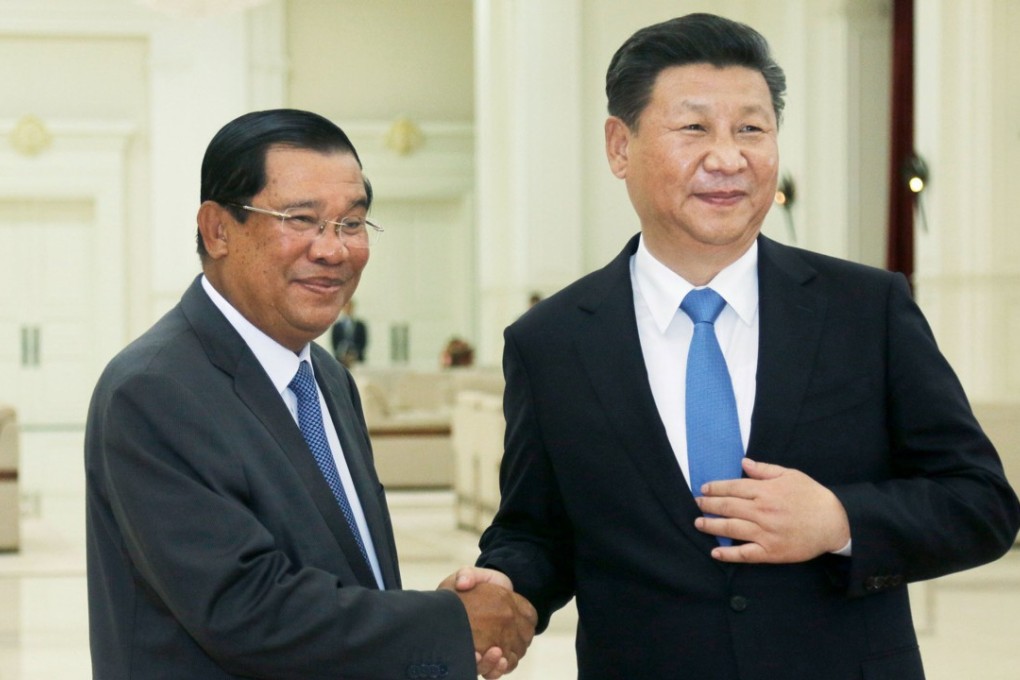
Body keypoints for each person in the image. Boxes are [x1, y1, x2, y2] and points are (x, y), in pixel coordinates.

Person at [451, 13, 1020, 679]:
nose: (728, 158)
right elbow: (537, 529)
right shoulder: (552, 341)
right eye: (694, 128)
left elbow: (982, 503)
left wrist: (839, 519)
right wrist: (502, 588)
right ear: (619, 146)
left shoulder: (867, 310)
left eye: (751, 128)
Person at [85, 109, 536, 680]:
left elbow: (347, 573)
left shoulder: (324, 377)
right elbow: (245, 611)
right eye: (301, 219)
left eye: (352, 224)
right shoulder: (154, 389)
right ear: (217, 229)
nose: (333, 250)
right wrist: (447, 623)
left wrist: (417, 621)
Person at [330, 298, 368, 366]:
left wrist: (355, 354)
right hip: (341, 359)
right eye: (346, 307)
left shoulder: (360, 325)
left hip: (357, 359)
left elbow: (363, 342)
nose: (348, 309)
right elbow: (334, 343)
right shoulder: (337, 326)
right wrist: (341, 355)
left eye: (350, 307)